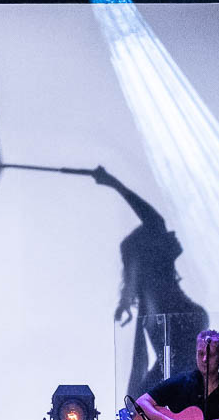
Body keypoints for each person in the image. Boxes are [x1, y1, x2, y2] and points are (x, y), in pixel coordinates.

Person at [88, 166, 210, 404]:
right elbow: (155, 219)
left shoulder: (150, 290)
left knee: (150, 397)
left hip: (187, 327)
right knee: (154, 397)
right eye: (162, 236)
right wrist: (114, 183)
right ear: (151, 252)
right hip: (186, 327)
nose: (171, 235)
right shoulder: (155, 280)